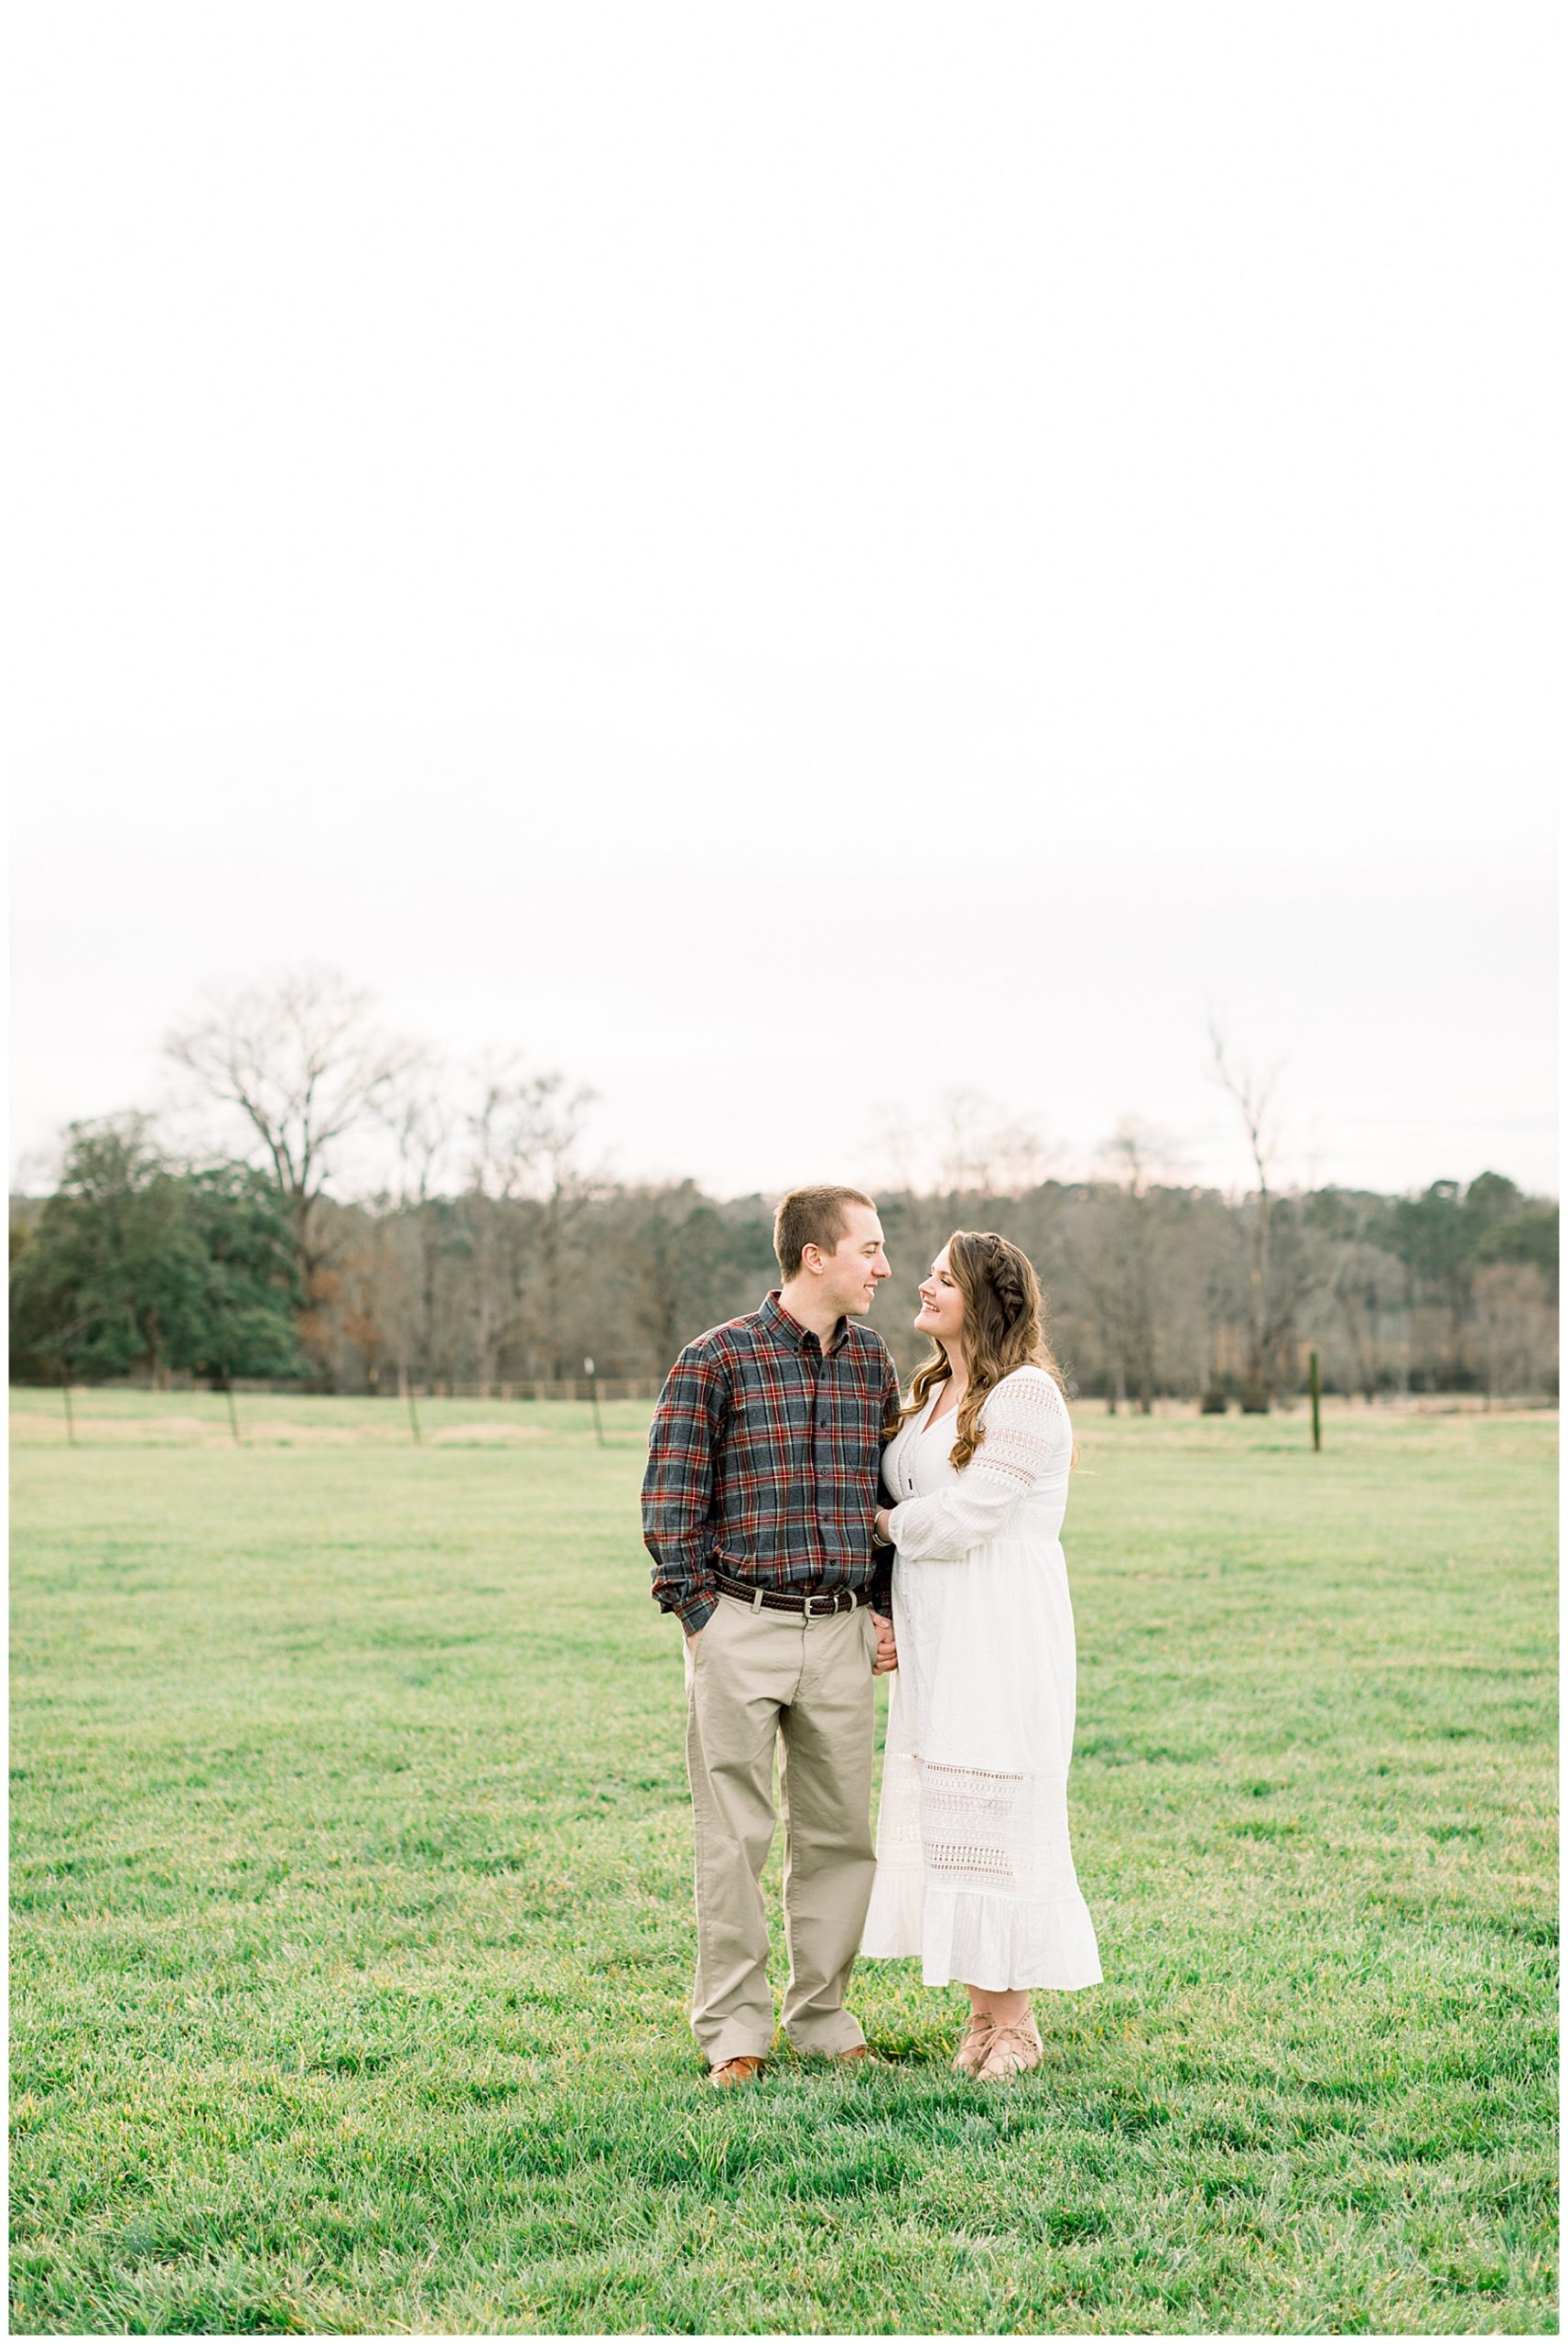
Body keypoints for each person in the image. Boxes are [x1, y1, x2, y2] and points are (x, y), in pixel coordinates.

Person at [642, 1184, 901, 2088]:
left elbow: (887, 1500)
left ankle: (823, 2015)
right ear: (813, 1256)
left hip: (837, 1630)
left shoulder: (871, 1362)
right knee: (735, 1837)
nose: (885, 1266)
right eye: (868, 1248)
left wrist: (883, 1606)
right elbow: (670, 1497)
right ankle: (734, 2031)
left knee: (839, 1838)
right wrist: (699, 1618)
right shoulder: (716, 1358)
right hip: (738, 1624)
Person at [860, 1230, 1101, 2079]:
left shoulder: (1027, 1396)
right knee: (949, 1811)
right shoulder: (929, 1392)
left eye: (940, 1280)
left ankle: (1017, 2023)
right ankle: (978, 2015)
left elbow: (970, 1517)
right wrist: (885, 1603)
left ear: (986, 1300)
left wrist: (884, 1525)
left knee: (996, 1809)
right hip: (937, 1627)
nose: (921, 1288)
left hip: (1002, 1621)